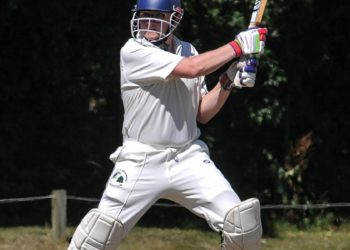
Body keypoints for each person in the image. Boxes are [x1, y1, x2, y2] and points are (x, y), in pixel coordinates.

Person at [68, 0, 267, 249]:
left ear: (175, 17)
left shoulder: (188, 50)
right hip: (141, 159)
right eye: (143, 15)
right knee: (95, 238)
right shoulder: (133, 51)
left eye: (156, 16)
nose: (148, 23)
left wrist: (228, 79)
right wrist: (238, 47)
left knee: (242, 226)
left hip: (188, 157)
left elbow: (202, 113)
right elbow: (192, 69)